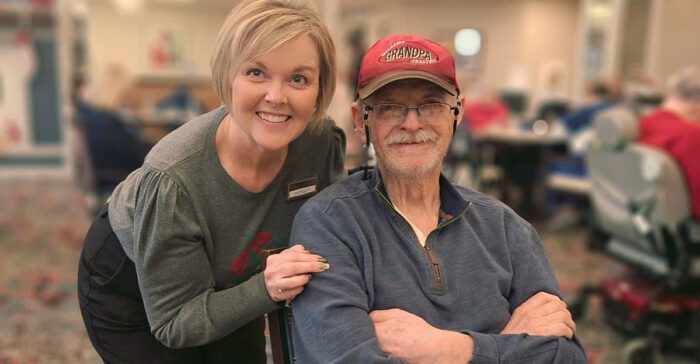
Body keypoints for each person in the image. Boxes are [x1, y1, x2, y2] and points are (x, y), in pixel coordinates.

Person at [289, 34, 586, 363]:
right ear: (361, 121)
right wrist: (508, 346)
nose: (413, 124)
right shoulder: (330, 223)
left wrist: (450, 349)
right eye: (389, 108)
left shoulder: (506, 228)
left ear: (456, 114)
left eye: (431, 105)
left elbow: (568, 357)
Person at [77, 0, 344, 362]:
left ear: (319, 88)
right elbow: (175, 322)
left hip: (236, 271)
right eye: (256, 73)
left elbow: (333, 239)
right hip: (133, 279)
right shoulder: (172, 177)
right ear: (226, 75)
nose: (276, 97)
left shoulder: (321, 143)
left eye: (298, 78)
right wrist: (265, 288)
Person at [638, 65, 700, 219]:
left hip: (649, 220)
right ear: (696, 102)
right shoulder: (689, 135)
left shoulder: (642, 124)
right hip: (684, 227)